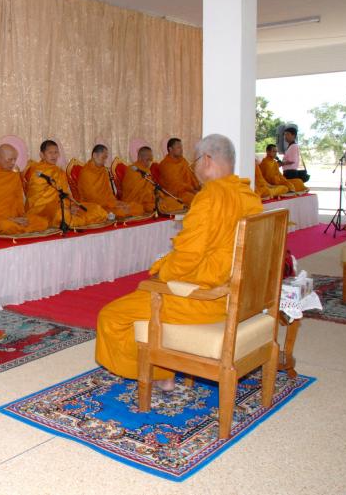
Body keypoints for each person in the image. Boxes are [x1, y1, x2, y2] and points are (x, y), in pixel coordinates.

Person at [95, 134, 263, 390]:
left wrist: (161, 271)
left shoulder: (211, 197)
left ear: (207, 160)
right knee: (146, 292)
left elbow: (187, 259)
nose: (194, 168)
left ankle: (160, 371)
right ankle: (165, 363)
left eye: (195, 161)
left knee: (111, 316)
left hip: (206, 299)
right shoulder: (249, 195)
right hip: (239, 297)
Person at [25, 140, 110, 228]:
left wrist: (71, 205)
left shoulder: (60, 172)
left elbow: (65, 193)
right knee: (62, 215)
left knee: (95, 208)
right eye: (50, 152)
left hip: (64, 206)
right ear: (42, 155)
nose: (54, 155)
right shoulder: (38, 172)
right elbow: (37, 201)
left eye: (56, 152)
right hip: (43, 209)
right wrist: (64, 208)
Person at [0, 144, 49, 234]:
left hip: (16, 217)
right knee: (5, 226)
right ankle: (20, 228)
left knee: (43, 222)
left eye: (14, 159)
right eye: (10, 159)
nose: (13, 163)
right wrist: (12, 220)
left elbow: (19, 199)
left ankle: (19, 228)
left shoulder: (14, 175)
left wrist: (21, 217)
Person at [77, 144, 143, 218]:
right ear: (94, 155)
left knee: (137, 207)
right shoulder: (86, 173)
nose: (105, 161)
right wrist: (111, 204)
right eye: (103, 158)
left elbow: (108, 192)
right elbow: (92, 197)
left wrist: (116, 203)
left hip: (107, 204)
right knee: (120, 211)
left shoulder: (103, 171)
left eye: (106, 158)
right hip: (94, 206)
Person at [121, 146, 185, 215]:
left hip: (150, 199)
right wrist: (153, 197)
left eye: (150, 160)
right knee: (157, 206)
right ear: (139, 158)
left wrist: (158, 195)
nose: (149, 162)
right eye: (147, 160)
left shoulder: (147, 170)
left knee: (173, 201)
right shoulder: (132, 170)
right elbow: (136, 193)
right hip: (138, 202)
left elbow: (151, 186)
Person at [158, 138, 200, 206]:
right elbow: (175, 185)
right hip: (176, 194)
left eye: (181, 147)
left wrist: (198, 186)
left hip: (188, 191)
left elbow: (191, 177)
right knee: (197, 200)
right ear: (170, 149)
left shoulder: (183, 161)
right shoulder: (165, 165)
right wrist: (192, 190)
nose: (181, 150)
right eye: (178, 147)